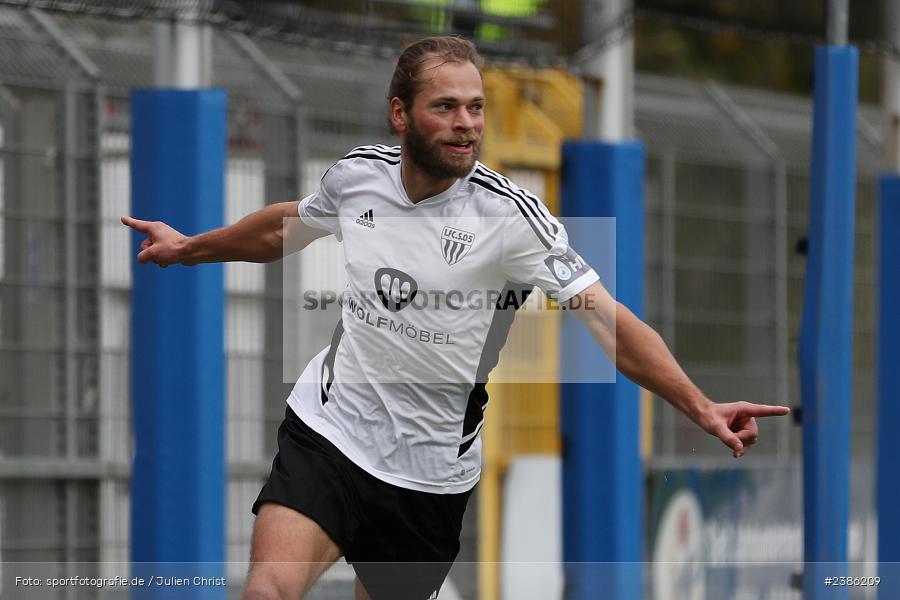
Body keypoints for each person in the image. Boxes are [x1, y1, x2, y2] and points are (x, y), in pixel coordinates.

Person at [122, 36, 790, 600]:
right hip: (331, 433)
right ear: (400, 114)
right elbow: (283, 229)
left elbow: (607, 322)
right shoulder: (359, 179)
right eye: (445, 107)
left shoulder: (511, 219)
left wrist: (698, 405)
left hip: (428, 476)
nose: (467, 122)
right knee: (266, 590)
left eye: (475, 107)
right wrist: (189, 249)